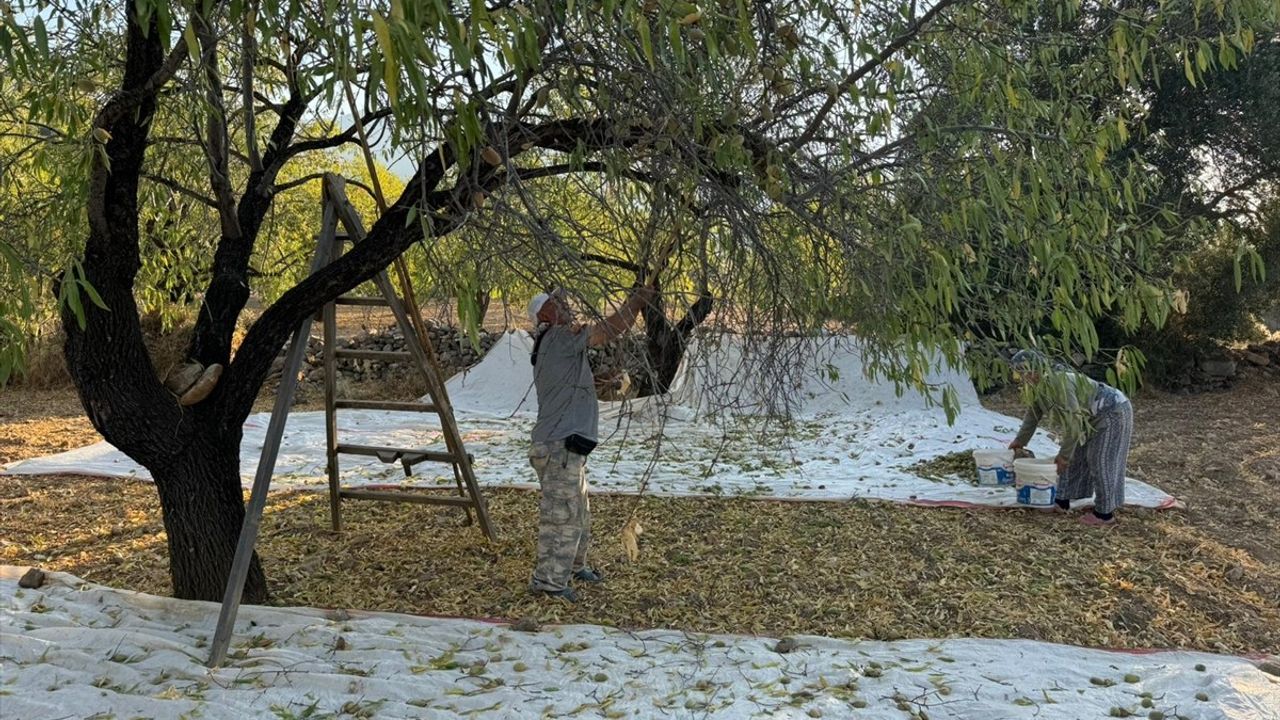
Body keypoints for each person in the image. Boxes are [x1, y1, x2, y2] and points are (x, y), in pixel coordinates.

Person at [526, 284, 655, 601]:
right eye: (558, 303)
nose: (566, 305)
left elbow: (572, 386)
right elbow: (609, 329)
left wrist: (602, 380)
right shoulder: (557, 337)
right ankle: (549, 582)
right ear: (544, 314)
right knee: (563, 516)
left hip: (567, 448)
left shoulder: (557, 346)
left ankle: (573, 566)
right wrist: (636, 302)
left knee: (578, 512)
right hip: (559, 447)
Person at [1007, 349, 1133, 527]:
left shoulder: (1058, 381)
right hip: (1087, 418)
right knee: (1076, 457)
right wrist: (1020, 442)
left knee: (1101, 459)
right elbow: (1033, 415)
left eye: (1021, 372)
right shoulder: (1038, 387)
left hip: (1112, 411)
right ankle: (1062, 501)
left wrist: (1063, 457)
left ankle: (1105, 514)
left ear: (1033, 370)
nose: (1019, 378)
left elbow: (1074, 421)